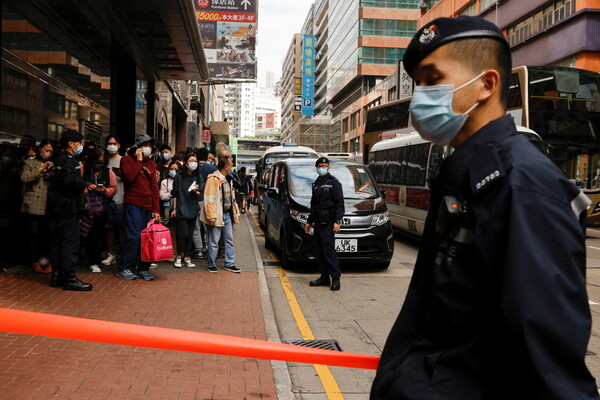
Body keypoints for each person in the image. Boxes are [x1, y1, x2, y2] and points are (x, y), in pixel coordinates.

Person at [370, 16, 599, 399]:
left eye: (432, 79)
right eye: (419, 84)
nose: (420, 96)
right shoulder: (466, 174)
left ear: (486, 85)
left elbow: (548, 365)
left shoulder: (522, 186)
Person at [47, 129, 93, 291]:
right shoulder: (67, 160)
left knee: (59, 241)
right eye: (79, 143)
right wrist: (83, 185)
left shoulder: (63, 159)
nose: (80, 146)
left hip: (62, 207)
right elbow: (69, 180)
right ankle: (69, 277)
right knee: (70, 241)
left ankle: (57, 275)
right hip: (68, 207)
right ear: (70, 143)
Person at [116, 133, 160, 281]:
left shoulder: (152, 164)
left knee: (146, 238)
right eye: (145, 145)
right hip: (133, 203)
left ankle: (143, 268)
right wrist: (139, 161)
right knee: (133, 236)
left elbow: (154, 188)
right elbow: (129, 177)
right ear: (138, 147)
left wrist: (156, 210)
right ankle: (124, 267)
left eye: (149, 146)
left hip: (148, 206)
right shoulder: (126, 160)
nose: (147, 148)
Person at [304, 157, 344, 291]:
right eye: (320, 165)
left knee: (329, 251)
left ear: (329, 167)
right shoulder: (316, 184)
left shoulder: (334, 183)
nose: (322, 167)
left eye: (325, 165)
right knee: (320, 251)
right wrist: (309, 222)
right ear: (316, 167)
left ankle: (335, 279)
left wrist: (337, 221)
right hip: (318, 222)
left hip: (329, 222)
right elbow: (313, 205)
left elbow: (339, 204)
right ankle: (324, 277)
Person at [19, 138, 55, 273]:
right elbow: (24, 178)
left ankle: (48, 260)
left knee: (50, 234)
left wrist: (52, 173)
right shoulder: (29, 163)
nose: (48, 153)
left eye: (51, 151)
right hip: (33, 203)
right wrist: (40, 169)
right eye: (46, 150)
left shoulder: (53, 164)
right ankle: (34, 261)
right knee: (34, 234)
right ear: (40, 149)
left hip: (49, 203)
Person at [200, 157, 240, 273]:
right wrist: (211, 216)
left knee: (229, 240)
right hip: (217, 215)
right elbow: (209, 199)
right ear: (226, 167)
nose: (232, 167)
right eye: (231, 165)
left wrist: (235, 213)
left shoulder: (229, 179)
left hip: (227, 215)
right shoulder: (213, 179)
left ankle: (230, 263)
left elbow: (231, 198)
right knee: (214, 241)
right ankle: (211, 264)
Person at [80, 148, 117, 273]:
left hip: (102, 207)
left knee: (97, 235)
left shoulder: (108, 172)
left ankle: (94, 261)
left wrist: (106, 191)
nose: (99, 164)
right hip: (86, 207)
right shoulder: (83, 170)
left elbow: (113, 187)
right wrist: (86, 186)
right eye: (96, 161)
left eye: (101, 162)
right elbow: (78, 183)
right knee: (86, 234)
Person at [171, 155, 202, 268]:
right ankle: (179, 256)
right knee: (182, 234)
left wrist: (195, 192)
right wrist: (174, 208)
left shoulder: (197, 176)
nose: (194, 163)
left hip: (193, 208)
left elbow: (200, 193)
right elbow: (175, 193)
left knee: (190, 235)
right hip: (181, 208)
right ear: (186, 163)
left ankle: (187, 257)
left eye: (195, 161)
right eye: (191, 161)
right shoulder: (179, 176)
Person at [102, 135, 124, 266]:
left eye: (114, 143)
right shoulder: (103, 161)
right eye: (109, 143)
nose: (112, 146)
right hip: (106, 199)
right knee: (108, 227)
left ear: (119, 145)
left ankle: (123, 252)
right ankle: (111, 254)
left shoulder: (124, 160)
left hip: (121, 198)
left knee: (122, 228)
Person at [192, 148, 217, 259]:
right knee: (207, 226)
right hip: (208, 200)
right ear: (207, 157)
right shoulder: (212, 168)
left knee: (196, 227)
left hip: (194, 199)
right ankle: (207, 247)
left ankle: (198, 250)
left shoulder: (193, 168)